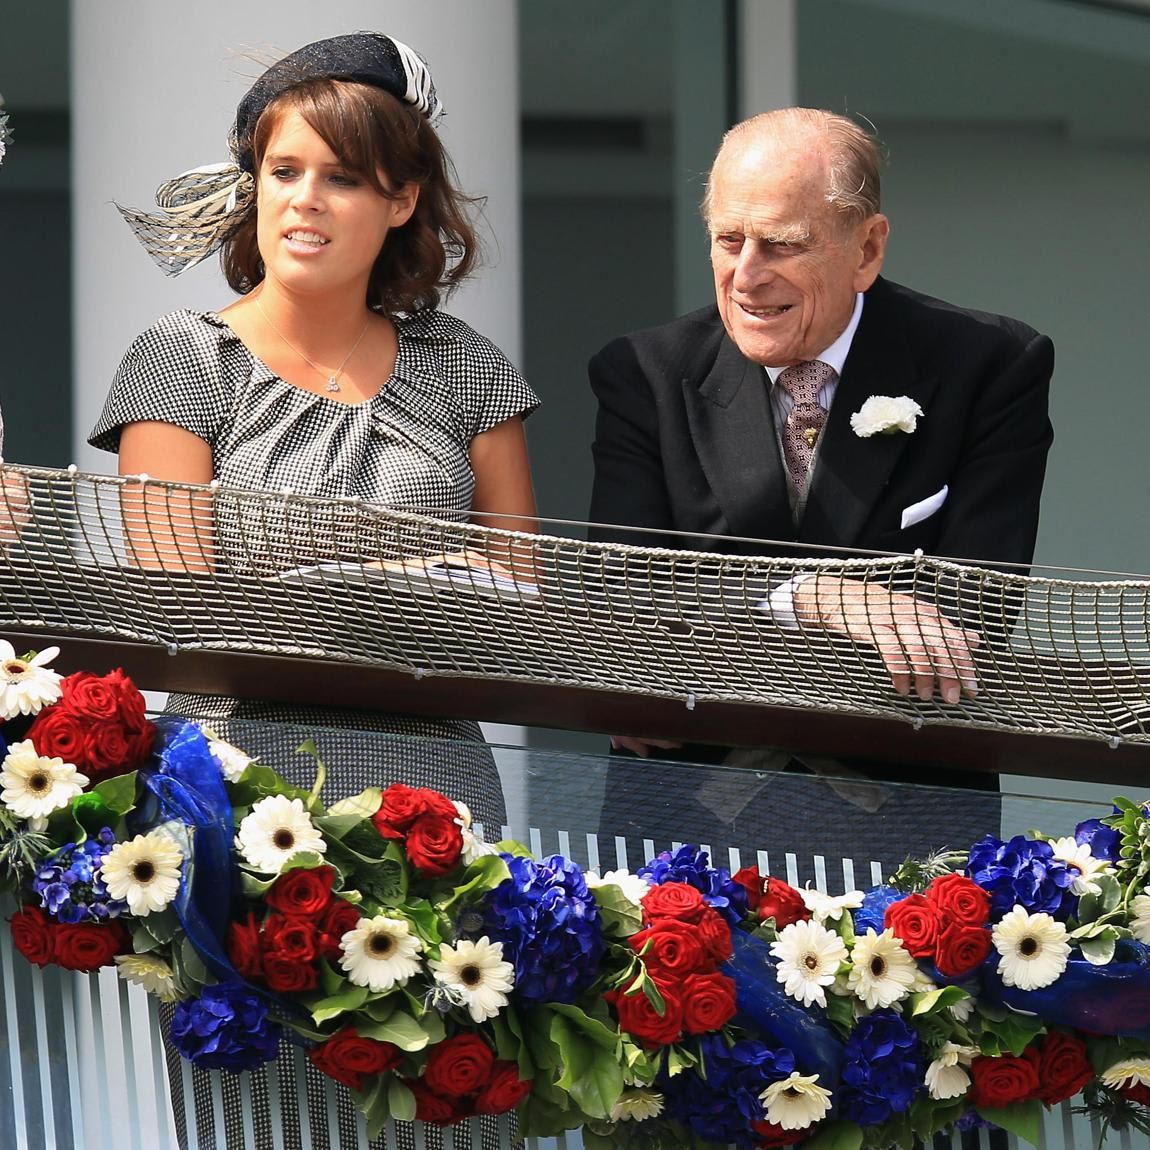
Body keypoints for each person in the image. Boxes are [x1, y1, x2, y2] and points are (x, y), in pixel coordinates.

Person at [88, 32, 537, 1150]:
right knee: (256, 1117)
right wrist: (411, 583)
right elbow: (183, 615)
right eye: (283, 170)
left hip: (440, 807)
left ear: (402, 200)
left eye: (341, 177)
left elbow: (525, 598)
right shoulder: (178, 359)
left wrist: (332, 589)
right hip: (241, 809)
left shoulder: (466, 367)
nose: (304, 199)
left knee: (446, 1110)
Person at [588, 109, 1054, 876]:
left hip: (911, 850)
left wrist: (714, 634)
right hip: (684, 843)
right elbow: (628, 612)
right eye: (728, 240)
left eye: (782, 245)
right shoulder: (644, 373)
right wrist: (822, 599)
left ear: (866, 249)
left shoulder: (990, 367)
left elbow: (973, 622)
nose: (746, 275)